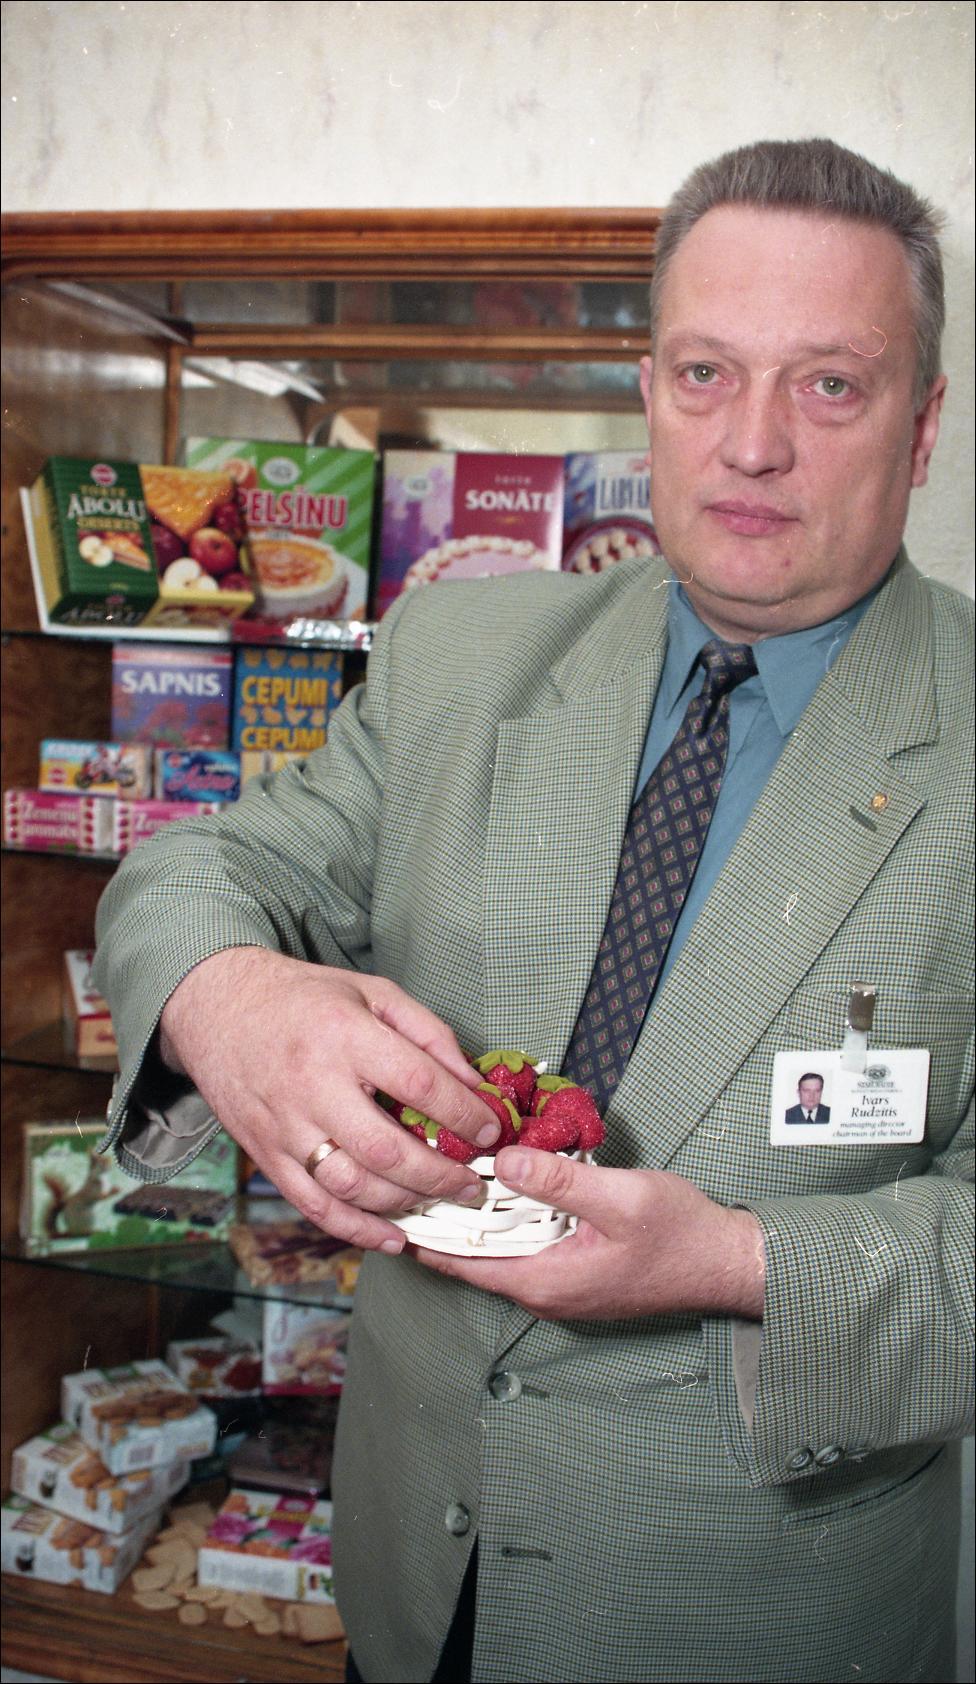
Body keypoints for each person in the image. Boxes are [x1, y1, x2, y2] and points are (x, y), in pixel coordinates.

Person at [94, 138, 974, 1684]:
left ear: (922, 427)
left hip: (748, 1627)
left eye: (831, 385)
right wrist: (236, 997)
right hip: (409, 1587)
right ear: (648, 391)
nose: (752, 443)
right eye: (705, 373)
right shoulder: (458, 651)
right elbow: (198, 872)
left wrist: (735, 1263)